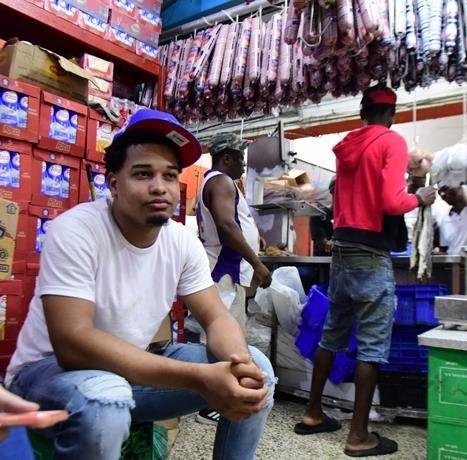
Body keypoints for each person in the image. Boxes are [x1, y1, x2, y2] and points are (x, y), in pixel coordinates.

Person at [5, 109, 275, 460]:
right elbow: (73, 343)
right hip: (48, 375)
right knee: (106, 399)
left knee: (259, 372)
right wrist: (199, 377)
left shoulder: (181, 240)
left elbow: (216, 317)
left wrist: (238, 363)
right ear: (114, 183)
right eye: (143, 174)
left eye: (169, 175)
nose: (159, 186)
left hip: (127, 371)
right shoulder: (75, 230)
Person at [294, 84, 436, 457]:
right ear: (391, 114)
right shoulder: (391, 141)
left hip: (342, 252)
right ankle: (359, 435)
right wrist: (419, 197)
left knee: (331, 336)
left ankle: (313, 413)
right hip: (371, 255)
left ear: (363, 113)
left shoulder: (347, 145)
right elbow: (392, 201)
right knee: (372, 345)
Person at [195, 132, 272, 425]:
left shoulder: (215, 182)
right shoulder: (221, 182)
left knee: (225, 336)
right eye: (241, 159)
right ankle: (211, 404)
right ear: (226, 158)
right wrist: (258, 264)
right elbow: (227, 226)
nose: (243, 165)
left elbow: (232, 223)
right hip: (224, 272)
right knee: (223, 340)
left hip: (224, 272)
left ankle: (214, 399)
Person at [310, 176, 335, 256]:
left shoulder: (350, 218)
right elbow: (322, 244)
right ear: (332, 193)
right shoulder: (319, 214)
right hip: (323, 262)